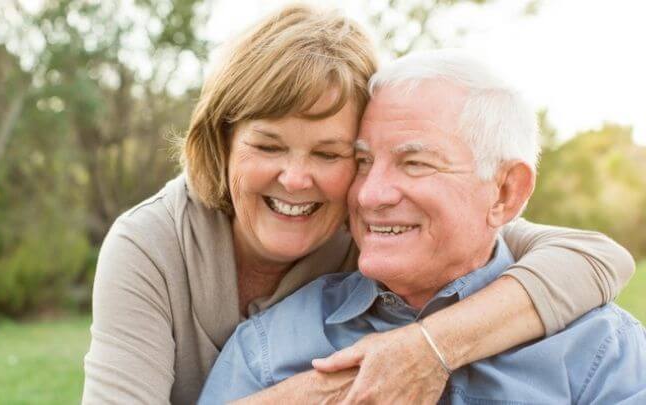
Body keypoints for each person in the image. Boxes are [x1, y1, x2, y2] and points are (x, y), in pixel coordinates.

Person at [82, 6, 636, 405]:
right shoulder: (154, 248)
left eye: (333, 153)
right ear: (222, 142)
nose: (297, 179)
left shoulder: (375, 222)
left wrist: (428, 347)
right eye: (267, 145)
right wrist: (350, 384)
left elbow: (595, 258)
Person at [199, 49, 646, 404]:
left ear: (506, 192)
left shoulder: (603, 351)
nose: (371, 195)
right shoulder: (267, 348)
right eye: (363, 161)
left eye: (414, 163)